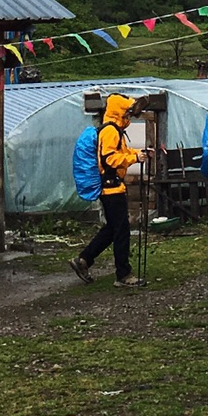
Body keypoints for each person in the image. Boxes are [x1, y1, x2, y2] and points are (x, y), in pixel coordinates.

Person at [71, 93, 143, 287]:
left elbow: (121, 153)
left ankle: (84, 260)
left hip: (111, 187)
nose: (131, 115)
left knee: (112, 228)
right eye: (127, 111)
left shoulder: (113, 129)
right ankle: (123, 275)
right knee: (121, 231)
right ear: (119, 111)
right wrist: (134, 159)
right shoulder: (111, 131)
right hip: (111, 188)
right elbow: (109, 159)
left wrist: (138, 153)